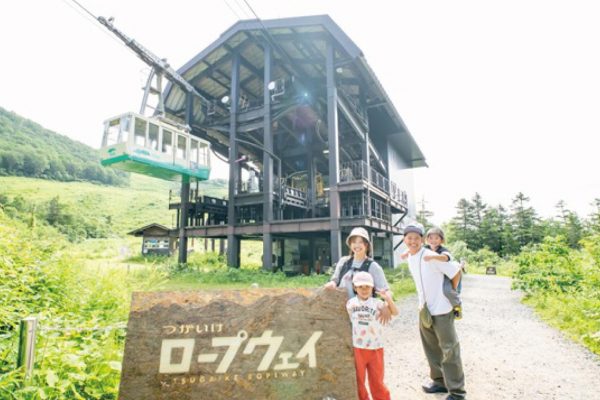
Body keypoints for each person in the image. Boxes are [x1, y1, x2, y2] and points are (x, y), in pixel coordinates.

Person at [404, 223, 467, 400]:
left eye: (416, 238)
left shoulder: (431, 256)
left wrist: (450, 292)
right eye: (409, 238)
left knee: (449, 350)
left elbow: (455, 271)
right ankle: (439, 382)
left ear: (422, 240)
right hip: (424, 310)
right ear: (404, 240)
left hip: (442, 309)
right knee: (431, 349)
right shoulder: (410, 257)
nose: (413, 241)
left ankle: (457, 392)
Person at [346, 271, 398, 400]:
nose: (364, 290)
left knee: (377, 379)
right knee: (359, 379)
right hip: (358, 347)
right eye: (360, 287)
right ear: (355, 288)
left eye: (367, 287)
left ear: (372, 288)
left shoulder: (377, 304)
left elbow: (395, 312)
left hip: (376, 347)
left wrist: (387, 300)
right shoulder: (350, 303)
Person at [324, 226, 392, 324]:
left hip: (363, 314)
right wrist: (332, 283)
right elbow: (335, 280)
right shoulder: (344, 261)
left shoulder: (373, 266)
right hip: (342, 312)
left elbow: (385, 290)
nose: (357, 245)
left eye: (360, 242)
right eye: (354, 242)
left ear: (366, 244)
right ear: (350, 244)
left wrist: (386, 305)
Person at [424, 227, 462, 319]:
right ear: (427, 239)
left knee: (447, 290)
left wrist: (432, 257)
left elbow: (445, 258)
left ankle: (457, 306)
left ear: (441, 240)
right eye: (431, 238)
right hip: (434, 275)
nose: (433, 240)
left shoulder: (443, 250)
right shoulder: (425, 248)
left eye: (436, 238)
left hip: (446, 275)